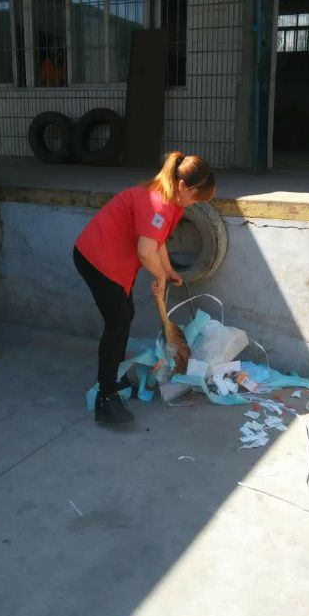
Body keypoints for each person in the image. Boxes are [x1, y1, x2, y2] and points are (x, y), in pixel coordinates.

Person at [73, 151, 216, 425]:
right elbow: (145, 252)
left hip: (114, 261)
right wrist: (159, 276)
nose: (195, 202)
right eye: (196, 197)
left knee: (124, 315)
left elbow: (157, 242)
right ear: (183, 185)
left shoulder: (172, 201)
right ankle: (106, 397)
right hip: (96, 258)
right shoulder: (158, 203)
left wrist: (168, 270)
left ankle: (114, 375)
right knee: (117, 323)